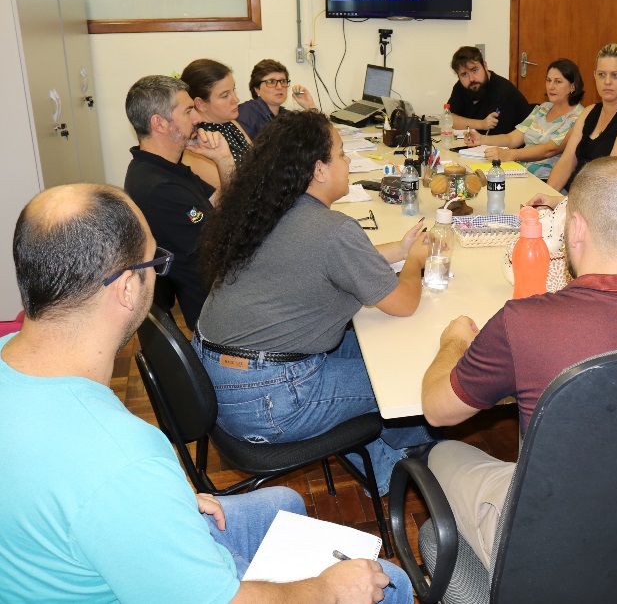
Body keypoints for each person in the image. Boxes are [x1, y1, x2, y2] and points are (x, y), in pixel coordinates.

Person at [0, 183, 412, 603]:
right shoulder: (124, 462)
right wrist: (327, 590)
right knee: (393, 585)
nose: (158, 270)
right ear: (126, 288)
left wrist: (162, 506)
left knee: (285, 500)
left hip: (77, 555)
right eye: (155, 261)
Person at [420, 156, 617, 569]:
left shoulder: (524, 321)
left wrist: (452, 343)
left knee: (441, 455)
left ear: (575, 228)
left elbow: (437, 410)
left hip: (550, 550)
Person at [193, 111, 436, 497]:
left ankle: (386, 452)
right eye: (341, 154)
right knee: (407, 374)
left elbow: (333, 260)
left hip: (214, 377)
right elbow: (404, 302)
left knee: (372, 346)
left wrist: (400, 249)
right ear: (319, 170)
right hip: (268, 399)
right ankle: (410, 455)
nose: (349, 161)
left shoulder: (269, 209)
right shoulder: (333, 231)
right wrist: (416, 262)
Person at [123, 74, 234, 330]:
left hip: (228, 296)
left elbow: (229, 205)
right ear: (159, 123)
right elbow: (230, 242)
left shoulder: (167, 169)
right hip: (224, 319)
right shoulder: (159, 189)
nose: (198, 118)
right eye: (188, 112)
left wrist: (223, 159)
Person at [545, 43, 617, 193]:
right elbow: (567, 161)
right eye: (601, 74)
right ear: (594, 75)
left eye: (615, 75)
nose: (607, 82)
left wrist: (561, 203)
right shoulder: (589, 112)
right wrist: (546, 198)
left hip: (610, 204)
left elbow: (609, 180)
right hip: (576, 196)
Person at [464, 58, 585, 179]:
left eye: (558, 82)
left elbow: (550, 149)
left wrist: (510, 154)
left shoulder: (579, 116)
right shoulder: (543, 108)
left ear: (572, 87)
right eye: (548, 80)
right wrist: (481, 139)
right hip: (519, 171)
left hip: (544, 179)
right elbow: (512, 139)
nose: (551, 86)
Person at [180, 58, 252, 188]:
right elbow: (225, 201)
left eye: (233, 90)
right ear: (201, 104)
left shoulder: (230, 123)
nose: (236, 99)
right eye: (225, 96)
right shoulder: (201, 143)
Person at [446, 46, 531, 136]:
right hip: (476, 144)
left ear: (485, 66)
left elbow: (498, 138)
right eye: (464, 74)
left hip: (511, 146)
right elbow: (449, 119)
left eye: (474, 70)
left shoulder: (504, 92)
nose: (471, 79)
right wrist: (482, 124)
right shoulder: (462, 86)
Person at [236, 59, 318, 140]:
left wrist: (310, 107)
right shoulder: (245, 113)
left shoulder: (288, 116)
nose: (279, 87)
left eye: (282, 81)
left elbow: (316, 141)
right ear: (257, 88)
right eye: (271, 82)